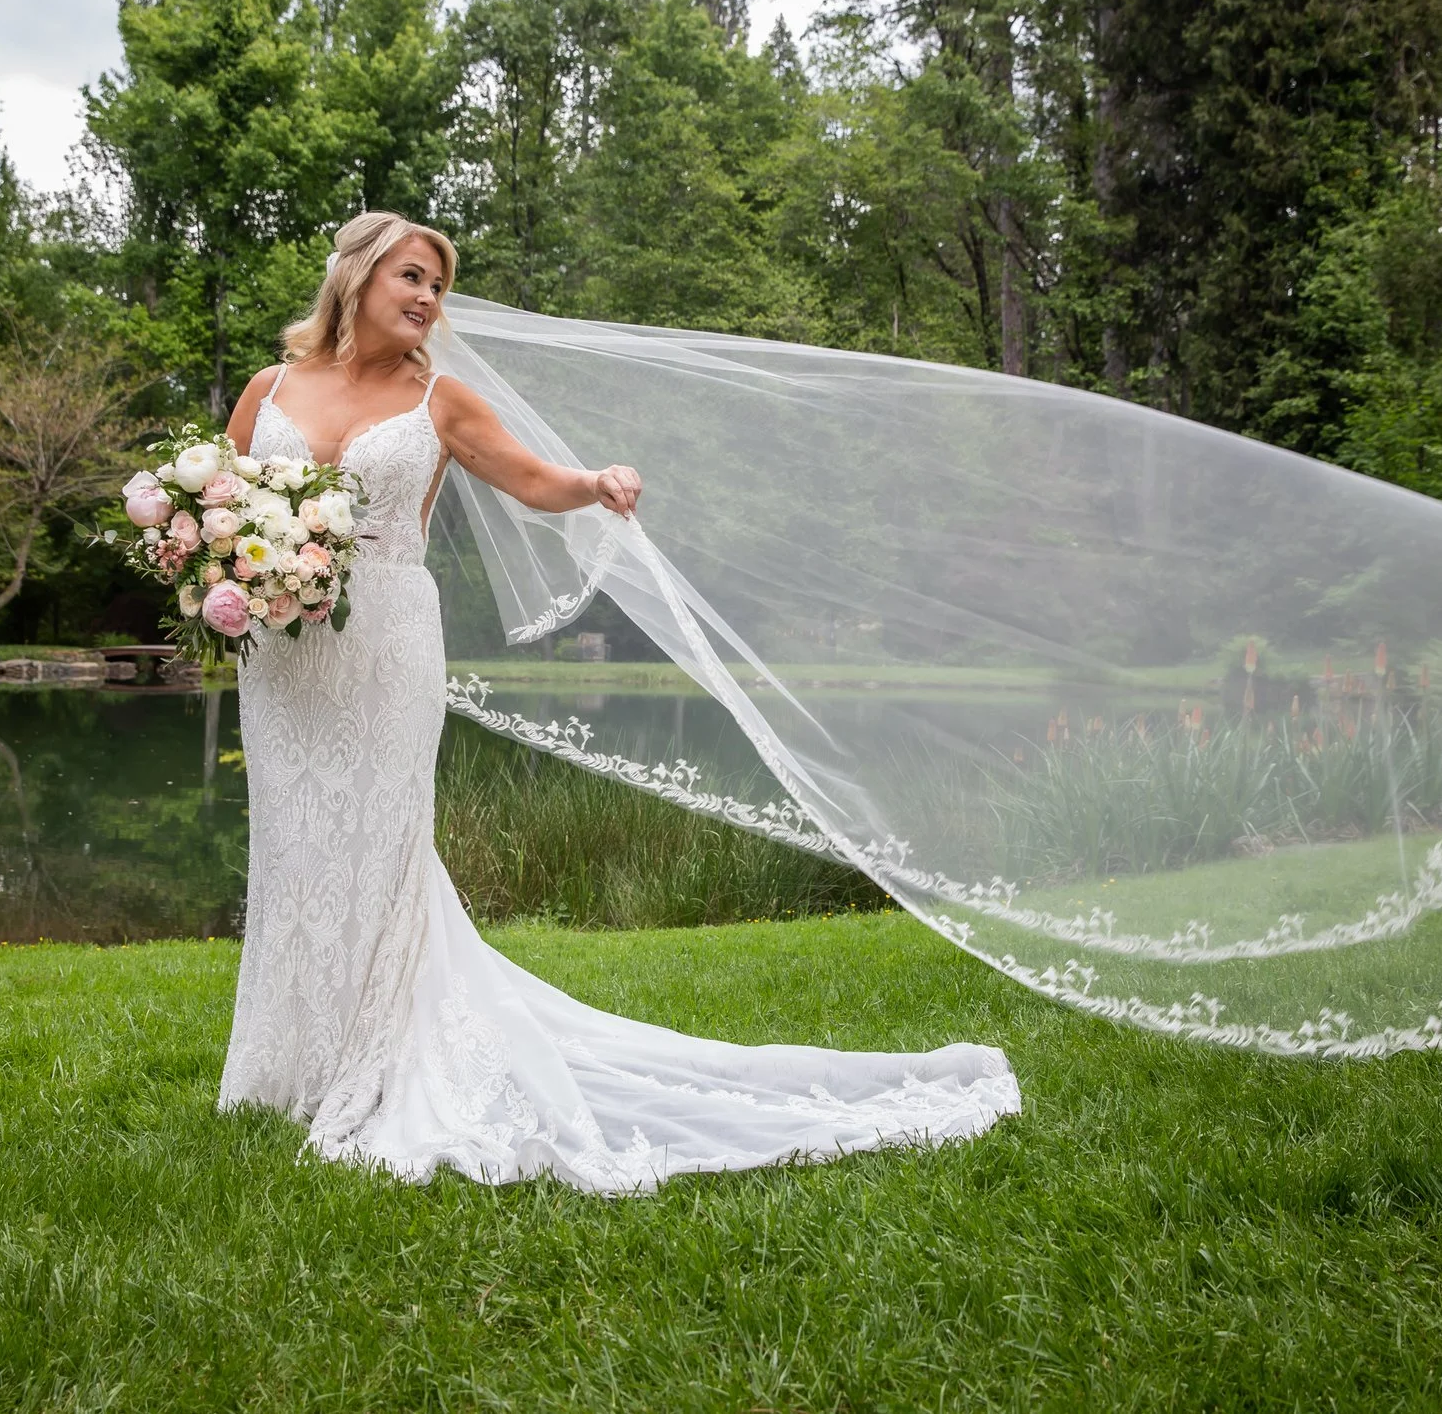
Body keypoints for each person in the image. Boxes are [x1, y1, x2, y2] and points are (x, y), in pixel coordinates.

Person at [216, 211, 1020, 1194]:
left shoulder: (440, 402)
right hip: (285, 653)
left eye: (438, 285)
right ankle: (285, 1066)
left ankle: (379, 1057)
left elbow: (531, 479)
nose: (427, 298)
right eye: (412, 276)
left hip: (387, 642)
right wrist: (206, 565)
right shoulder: (269, 390)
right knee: (297, 844)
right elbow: (223, 508)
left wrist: (595, 482)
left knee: (379, 850)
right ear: (356, 273)